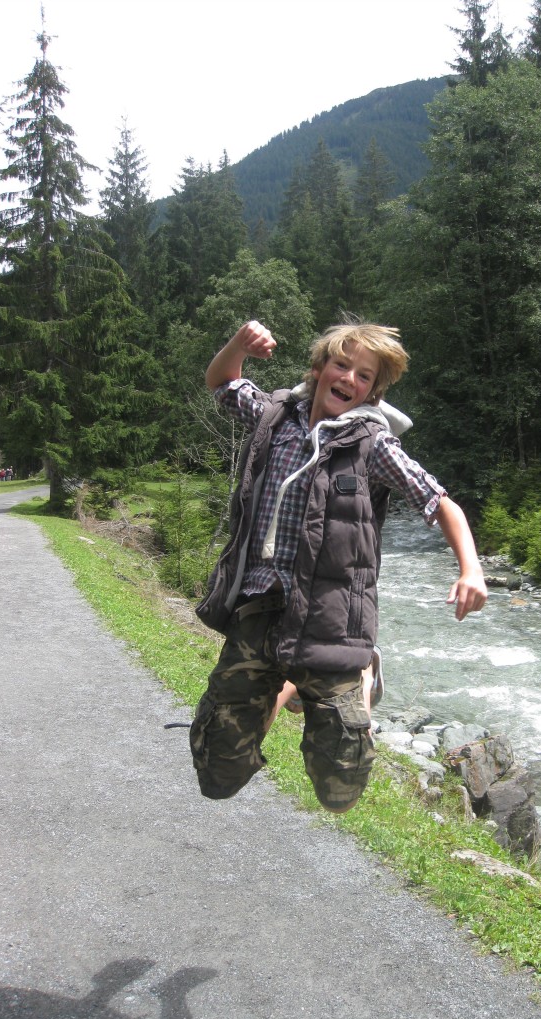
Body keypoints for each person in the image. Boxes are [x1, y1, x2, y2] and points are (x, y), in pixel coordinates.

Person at [190, 318, 487, 814]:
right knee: (218, 774)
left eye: (364, 376)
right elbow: (220, 381)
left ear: (373, 392)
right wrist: (239, 344)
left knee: (340, 788)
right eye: (342, 365)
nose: (349, 378)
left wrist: (470, 569)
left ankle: (362, 673)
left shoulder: (373, 445)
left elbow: (440, 503)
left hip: (329, 621)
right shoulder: (273, 418)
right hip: (257, 612)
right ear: (318, 368)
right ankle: (289, 682)